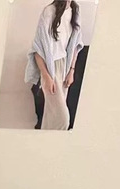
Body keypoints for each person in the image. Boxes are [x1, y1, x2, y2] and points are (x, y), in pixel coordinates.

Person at [26, 0, 83, 130]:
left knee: (52, 116)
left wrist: (71, 71)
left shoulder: (76, 11)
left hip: (65, 65)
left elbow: (75, 45)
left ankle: (45, 141)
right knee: (63, 120)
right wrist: (46, 76)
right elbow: (38, 49)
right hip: (50, 67)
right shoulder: (49, 11)